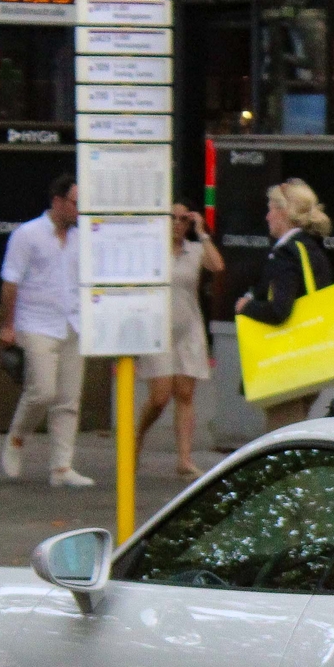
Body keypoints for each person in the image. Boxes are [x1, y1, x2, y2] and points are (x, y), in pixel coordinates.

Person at [0, 174, 92, 488]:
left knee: (68, 399)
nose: (80, 211)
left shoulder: (82, 238)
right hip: (36, 322)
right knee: (42, 391)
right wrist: (8, 325)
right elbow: (10, 283)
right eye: (76, 203)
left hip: (72, 323)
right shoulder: (28, 235)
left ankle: (62, 467)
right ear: (58, 201)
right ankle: (16, 438)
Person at [132, 203, 224, 477]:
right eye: (173, 218)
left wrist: (202, 232)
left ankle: (184, 459)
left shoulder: (194, 251)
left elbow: (217, 265)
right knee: (160, 397)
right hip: (156, 331)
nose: (178, 223)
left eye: (184, 219)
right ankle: (136, 438)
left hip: (188, 329)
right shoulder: (151, 251)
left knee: (185, 393)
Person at [234, 178, 334, 430]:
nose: (267, 217)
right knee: (295, 433)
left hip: (288, 365)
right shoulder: (312, 249)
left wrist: (246, 307)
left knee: (282, 442)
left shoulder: (286, 254)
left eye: (270, 209)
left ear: (283, 213)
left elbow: (280, 310)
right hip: (312, 361)